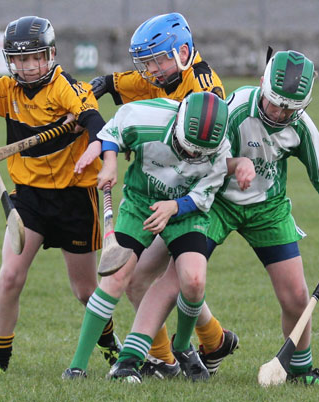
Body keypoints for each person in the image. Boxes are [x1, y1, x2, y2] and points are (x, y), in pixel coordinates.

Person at [115, 50, 319, 385]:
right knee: (176, 279)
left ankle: (299, 369)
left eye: (290, 107)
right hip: (215, 203)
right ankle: (132, 358)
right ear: (262, 85)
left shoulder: (298, 124)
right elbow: (199, 156)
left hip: (267, 209)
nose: (280, 112)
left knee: (296, 296)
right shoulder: (236, 108)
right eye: (275, 103)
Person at [72, 12, 239, 380]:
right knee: (152, 280)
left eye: (157, 60)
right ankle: (201, 345)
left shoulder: (206, 94)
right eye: (146, 62)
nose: (151, 70)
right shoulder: (166, 71)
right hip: (160, 184)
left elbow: (205, 153)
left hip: (197, 190)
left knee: (172, 277)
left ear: (182, 52)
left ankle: (174, 353)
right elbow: (119, 87)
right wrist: (92, 95)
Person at [0, 16, 121, 373]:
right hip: (29, 197)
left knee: (85, 292)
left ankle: (109, 345)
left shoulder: (67, 87)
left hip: (76, 197)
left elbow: (94, 120)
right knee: (10, 275)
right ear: (10, 62)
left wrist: (100, 154)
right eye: (20, 60)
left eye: (36, 58)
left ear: (52, 54)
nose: (29, 67)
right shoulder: (8, 91)